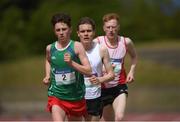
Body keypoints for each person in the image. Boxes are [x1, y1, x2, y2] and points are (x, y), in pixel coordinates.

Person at [42, 13, 92, 121]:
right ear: (54, 31)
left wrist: (72, 63)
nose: (61, 33)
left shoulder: (77, 47)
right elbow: (48, 60)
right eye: (58, 30)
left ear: (70, 29)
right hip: (57, 96)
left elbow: (88, 70)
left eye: (64, 29)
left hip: (75, 97)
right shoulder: (50, 48)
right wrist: (47, 75)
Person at [94, 13, 138, 121]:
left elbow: (134, 57)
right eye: (108, 27)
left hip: (119, 87)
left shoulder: (125, 42)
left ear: (118, 27)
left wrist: (131, 72)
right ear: (104, 28)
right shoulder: (97, 42)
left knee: (119, 117)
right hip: (102, 89)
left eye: (113, 27)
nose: (111, 30)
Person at [77, 17, 114, 121]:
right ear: (78, 33)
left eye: (89, 31)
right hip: (76, 96)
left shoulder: (101, 49)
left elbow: (111, 74)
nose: (86, 34)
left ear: (93, 32)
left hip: (94, 96)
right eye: (83, 31)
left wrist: (100, 80)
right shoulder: (73, 49)